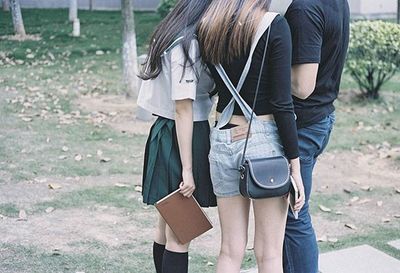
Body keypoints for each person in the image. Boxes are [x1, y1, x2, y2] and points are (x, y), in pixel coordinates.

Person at [198, 0, 305, 272]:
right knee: (269, 254)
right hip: (265, 143)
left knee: (230, 250)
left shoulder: (209, 25)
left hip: (223, 138)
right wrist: (295, 164)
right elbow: (282, 102)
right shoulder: (274, 25)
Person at [137, 1, 216, 273]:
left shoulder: (169, 32)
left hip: (165, 132)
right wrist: (188, 170)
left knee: (165, 225)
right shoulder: (188, 43)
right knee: (181, 232)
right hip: (183, 136)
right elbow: (183, 108)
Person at [283, 1, 350, 272]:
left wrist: (262, 68)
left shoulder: (304, 8)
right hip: (320, 118)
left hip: (303, 126)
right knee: (289, 216)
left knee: (294, 216)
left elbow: (302, 85)